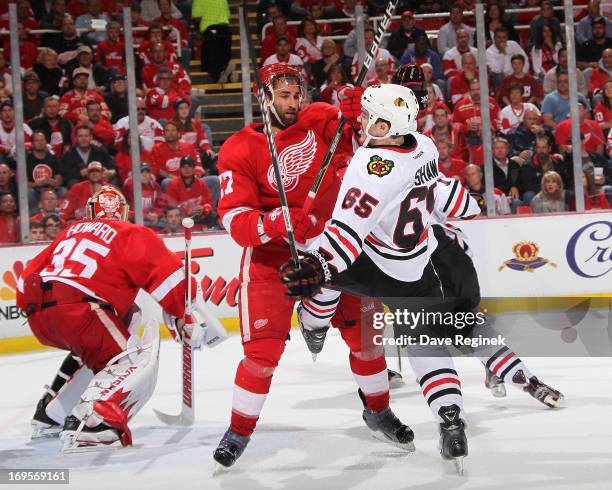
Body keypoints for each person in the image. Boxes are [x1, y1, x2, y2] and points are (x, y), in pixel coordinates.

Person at [213, 64, 411, 468]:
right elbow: (236, 221)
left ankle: (377, 410)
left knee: (368, 341)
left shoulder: (321, 118)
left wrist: (360, 114)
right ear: (264, 97)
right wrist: (276, 221)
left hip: (337, 245)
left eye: (296, 94)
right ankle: (238, 430)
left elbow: (367, 146)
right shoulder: (239, 147)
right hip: (274, 255)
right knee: (262, 352)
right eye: (283, 96)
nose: (292, 103)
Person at [280, 83, 473, 468]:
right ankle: (450, 417)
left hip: (372, 262)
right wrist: (466, 203)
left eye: (370, 118)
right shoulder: (424, 145)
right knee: (428, 347)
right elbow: (442, 193)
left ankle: (315, 321)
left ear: (387, 125)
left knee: (313, 249)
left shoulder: (370, 170)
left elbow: (347, 232)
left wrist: (319, 266)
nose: (362, 121)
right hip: (416, 267)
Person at [17, 186, 212, 449]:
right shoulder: (129, 231)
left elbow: (29, 273)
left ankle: (51, 415)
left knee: (120, 325)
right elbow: (167, 274)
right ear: (123, 213)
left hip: (40, 312)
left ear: (91, 212)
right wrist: (183, 315)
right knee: (132, 357)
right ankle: (94, 421)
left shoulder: (69, 232)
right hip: (81, 310)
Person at [192, 0, 233, 84]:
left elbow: (196, 17)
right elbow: (228, 14)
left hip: (210, 31)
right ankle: (227, 74)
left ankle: (219, 77)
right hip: (225, 30)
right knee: (224, 59)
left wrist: (197, 30)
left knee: (209, 60)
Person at [166, 156, 213, 228]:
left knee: (213, 216)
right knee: (174, 218)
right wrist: (187, 211)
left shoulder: (201, 183)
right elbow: (171, 206)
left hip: (198, 216)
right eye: (184, 167)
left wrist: (203, 208)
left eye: (189, 166)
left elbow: (209, 202)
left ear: (194, 169)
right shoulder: (173, 184)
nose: (186, 169)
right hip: (182, 217)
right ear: (180, 169)